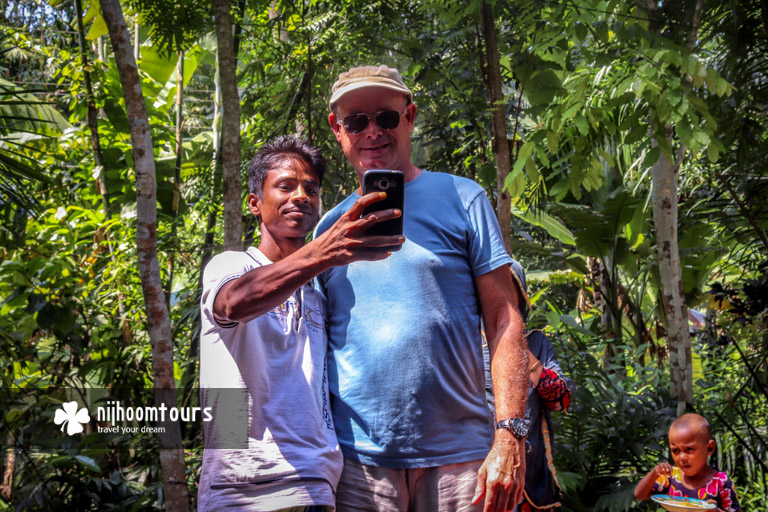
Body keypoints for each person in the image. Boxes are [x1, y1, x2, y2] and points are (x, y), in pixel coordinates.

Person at [314, 64, 530, 512]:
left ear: (409, 117)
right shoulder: (328, 229)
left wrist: (510, 435)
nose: (372, 131)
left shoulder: (462, 198)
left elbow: (504, 318)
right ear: (338, 130)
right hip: (358, 465)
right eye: (356, 121)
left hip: (461, 460)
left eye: (386, 118)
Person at [198, 135, 404, 511]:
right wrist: (321, 254)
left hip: (316, 482)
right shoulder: (231, 266)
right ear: (255, 204)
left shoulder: (318, 290)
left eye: (311, 188)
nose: (301, 196)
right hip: (244, 484)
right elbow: (233, 304)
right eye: (285, 186)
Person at [483, 262, 571, 512]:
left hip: (528, 477)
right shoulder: (465, 342)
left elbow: (560, 399)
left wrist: (516, 343)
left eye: (506, 289)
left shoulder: (537, 342)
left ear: (520, 297)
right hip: (473, 469)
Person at [634, 413, 742, 512]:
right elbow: (640, 495)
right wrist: (654, 474)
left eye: (689, 449)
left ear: (709, 448)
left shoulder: (721, 482)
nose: (682, 458)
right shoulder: (672, 476)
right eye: (675, 450)